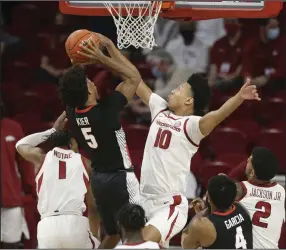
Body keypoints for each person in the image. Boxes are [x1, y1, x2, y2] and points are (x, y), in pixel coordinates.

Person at [76, 34, 260, 247]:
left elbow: (217, 115)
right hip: (143, 199)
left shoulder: (192, 126)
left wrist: (239, 97)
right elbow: (134, 78)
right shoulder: (160, 109)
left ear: (189, 100)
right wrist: (109, 51)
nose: (173, 90)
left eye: (179, 89)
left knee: (141, 243)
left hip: (169, 205)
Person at [59, 34, 141, 248]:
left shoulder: (71, 111)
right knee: (135, 236)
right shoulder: (107, 111)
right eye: (89, 82)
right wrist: (106, 53)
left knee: (112, 235)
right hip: (122, 179)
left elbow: (73, 84)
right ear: (88, 90)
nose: (93, 83)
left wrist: (79, 62)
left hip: (98, 181)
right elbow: (133, 78)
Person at [15, 112, 99, 249]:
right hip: (74, 223)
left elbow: (20, 144)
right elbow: (94, 206)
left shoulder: (41, 158)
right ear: (72, 143)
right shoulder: (85, 163)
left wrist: (51, 131)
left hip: (47, 227)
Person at [181, 175, 253, 249]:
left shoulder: (202, 226)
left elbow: (185, 246)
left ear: (208, 196)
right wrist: (206, 210)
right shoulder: (242, 209)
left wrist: (200, 214)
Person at [236, 147, 285, 249]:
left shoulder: (241, 189)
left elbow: (216, 190)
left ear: (253, 172)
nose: (246, 161)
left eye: (249, 160)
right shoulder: (281, 191)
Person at [1, 110, 34, 249]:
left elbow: (25, 164)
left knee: (11, 245)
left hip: (10, 200)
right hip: (11, 199)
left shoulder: (13, 128)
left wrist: (31, 190)